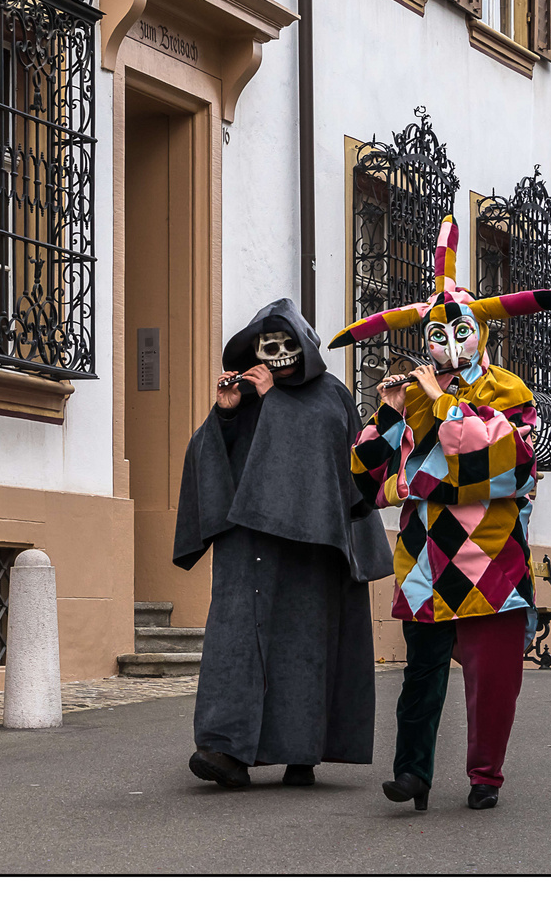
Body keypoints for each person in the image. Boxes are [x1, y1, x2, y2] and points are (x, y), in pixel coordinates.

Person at [329, 215, 551, 811]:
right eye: (435, 335)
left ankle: (485, 777)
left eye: (457, 331)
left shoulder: (511, 391)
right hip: (426, 555)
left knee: (492, 682)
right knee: (422, 676)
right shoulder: (410, 395)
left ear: (479, 332)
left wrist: (434, 435)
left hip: (494, 553)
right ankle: (412, 775)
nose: (445, 346)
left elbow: (508, 469)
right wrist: (389, 414)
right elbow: (363, 478)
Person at [174, 299, 392, 789]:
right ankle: (225, 748)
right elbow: (207, 457)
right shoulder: (247, 395)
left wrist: (274, 400)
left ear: (304, 347)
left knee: (304, 647)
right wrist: (226, 417)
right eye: (268, 346)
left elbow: (329, 456)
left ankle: (303, 750)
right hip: (247, 539)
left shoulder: (328, 395)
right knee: (236, 642)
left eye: (287, 345)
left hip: (312, 546)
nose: (278, 355)